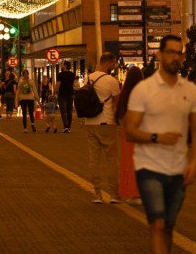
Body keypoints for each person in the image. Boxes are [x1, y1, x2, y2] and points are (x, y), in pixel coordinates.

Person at [125, 35, 196, 254]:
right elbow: (130, 130)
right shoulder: (144, 89)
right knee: (157, 224)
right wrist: (156, 137)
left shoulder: (190, 90)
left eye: (179, 53)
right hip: (148, 166)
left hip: (178, 169)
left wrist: (194, 162)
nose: (175, 57)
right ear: (159, 55)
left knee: (169, 226)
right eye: (170, 52)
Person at [85, 52, 122, 203]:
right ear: (108, 63)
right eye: (113, 63)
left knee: (94, 159)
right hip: (107, 123)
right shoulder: (111, 81)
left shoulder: (89, 78)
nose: (114, 66)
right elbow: (116, 104)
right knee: (111, 159)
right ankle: (113, 194)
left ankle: (97, 194)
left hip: (90, 123)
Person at [115, 66, 144, 203]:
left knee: (126, 163)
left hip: (125, 133)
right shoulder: (142, 93)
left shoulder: (124, 94)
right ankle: (137, 193)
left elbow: (119, 115)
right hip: (139, 132)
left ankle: (127, 191)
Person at [57, 61, 77, 132]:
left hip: (62, 94)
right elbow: (73, 84)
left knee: (63, 111)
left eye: (62, 64)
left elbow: (58, 85)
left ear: (65, 66)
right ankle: (69, 127)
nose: (61, 65)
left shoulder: (60, 74)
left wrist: (55, 92)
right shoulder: (72, 74)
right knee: (69, 111)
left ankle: (65, 127)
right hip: (70, 94)